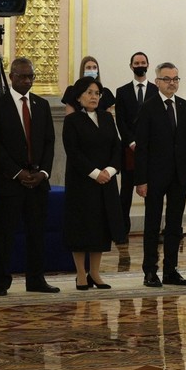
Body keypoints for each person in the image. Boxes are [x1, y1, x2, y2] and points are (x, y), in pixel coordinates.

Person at [0, 57, 59, 296]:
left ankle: (36, 279)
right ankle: (1, 281)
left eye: (30, 76)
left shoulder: (41, 104)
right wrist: (17, 173)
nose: (27, 80)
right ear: (11, 77)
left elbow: (49, 142)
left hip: (38, 181)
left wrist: (43, 173)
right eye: (22, 76)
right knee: (5, 234)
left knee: (37, 234)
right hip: (8, 182)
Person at [135, 62, 186, 288]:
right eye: (167, 79)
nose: (172, 83)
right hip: (154, 176)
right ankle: (150, 271)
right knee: (152, 224)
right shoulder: (148, 107)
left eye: (175, 79)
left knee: (175, 226)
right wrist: (140, 180)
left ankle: (171, 270)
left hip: (180, 176)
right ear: (157, 82)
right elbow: (141, 147)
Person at [61, 77, 123, 289]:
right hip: (83, 182)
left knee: (100, 228)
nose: (94, 96)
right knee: (81, 228)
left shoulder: (107, 118)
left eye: (97, 93)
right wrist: (96, 173)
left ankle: (95, 273)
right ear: (79, 97)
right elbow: (74, 152)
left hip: (106, 181)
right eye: (89, 92)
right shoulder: (72, 121)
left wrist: (110, 170)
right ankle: (80, 274)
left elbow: (117, 148)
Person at [112, 50, 153, 251]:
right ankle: (122, 231)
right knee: (125, 193)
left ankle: (152, 231)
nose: (139, 65)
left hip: (151, 150)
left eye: (143, 62)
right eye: (136, 62)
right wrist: (131, 141)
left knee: (152, 193)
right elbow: (120, 120)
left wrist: (144, 143)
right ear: (131, 66)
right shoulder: (122, 91)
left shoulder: (156, 90)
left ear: (148, 65)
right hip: (128, 149)